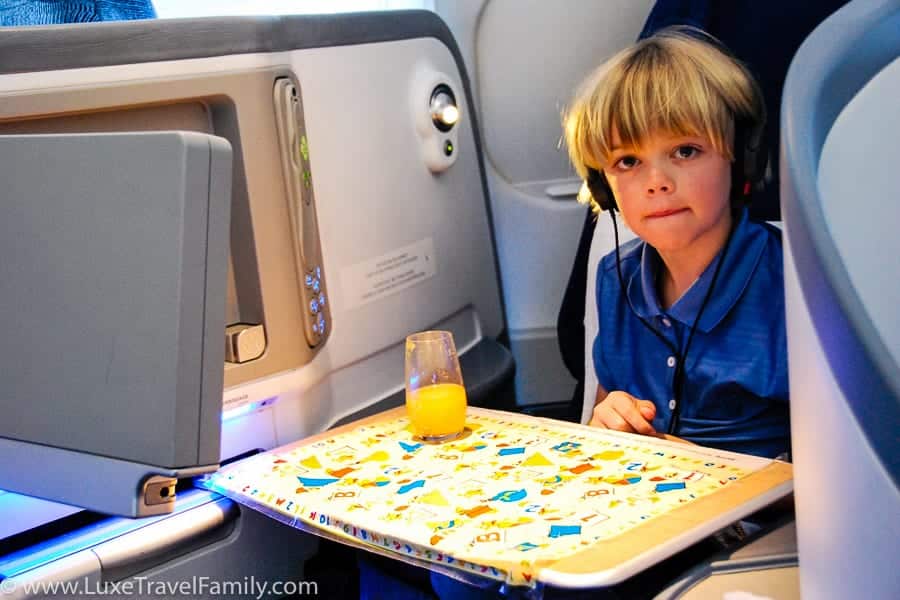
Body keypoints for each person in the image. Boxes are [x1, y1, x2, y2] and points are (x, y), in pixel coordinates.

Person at [564, 26, 789, 459]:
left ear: (741, 160)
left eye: (685, 151)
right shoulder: (615, 277)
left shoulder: (792, 285)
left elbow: (847, 467)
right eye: (628, 161)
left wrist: (710, 467)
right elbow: (603, 409)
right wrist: (607, 419)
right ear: (603, 187)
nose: (657, 183)